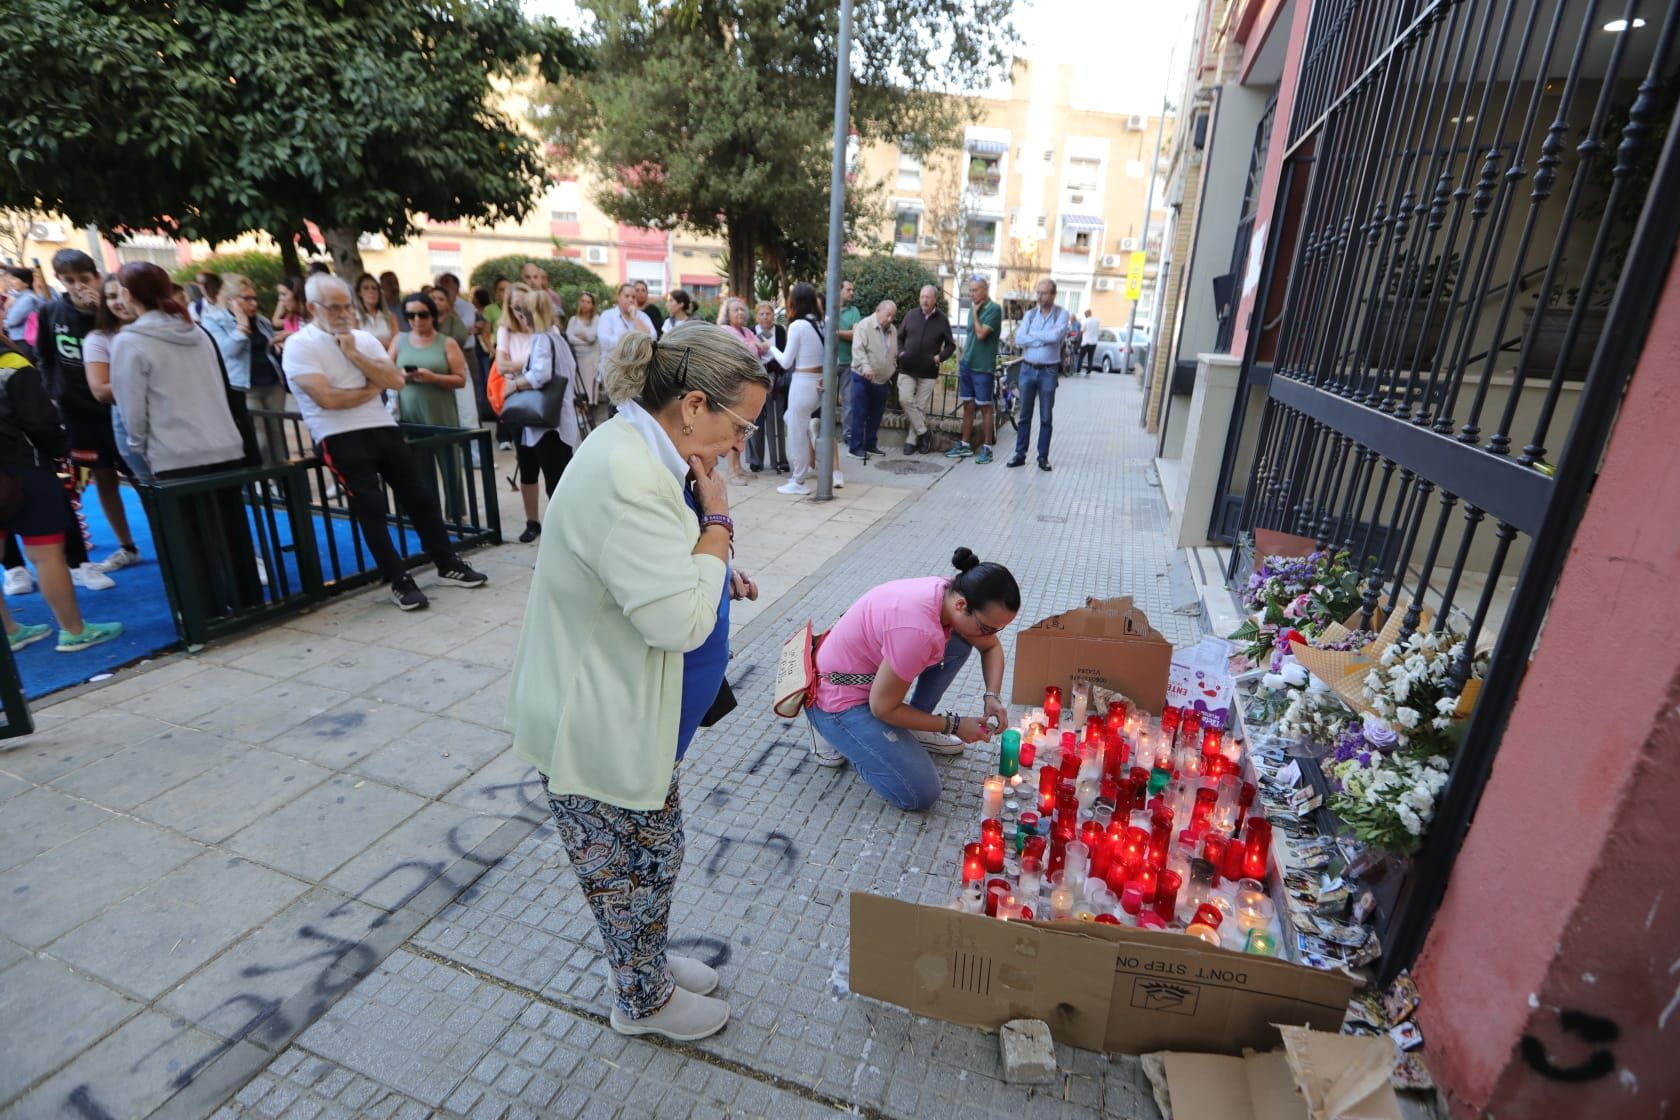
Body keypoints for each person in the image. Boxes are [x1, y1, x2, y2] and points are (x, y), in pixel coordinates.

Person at [506, 323, 768, 1044]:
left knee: (655, 854)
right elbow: (677, 622)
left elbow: (651, 564)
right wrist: (717, 526)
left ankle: (645, 962)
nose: (738, 446)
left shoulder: (644, 452)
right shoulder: (630, 475)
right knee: (627, 870)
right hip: (593, 720)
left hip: (632, 712)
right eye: (740, 426)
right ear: (693, 405)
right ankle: (641, 999)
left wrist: (709, 562)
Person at [282, 275, 488, 610]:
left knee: (419, 497)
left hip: (382, 427)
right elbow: (327, 399)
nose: (344, 313)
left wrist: (354, 355)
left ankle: (447, 562)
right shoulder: (299, 345)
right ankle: (399, 579)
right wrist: (371, 387)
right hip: (337, 434)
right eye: (335, 307)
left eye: (347, 306)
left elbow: (395, 380)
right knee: (371, 506)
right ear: (312, 308)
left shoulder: (363, 340)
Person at [803, 548, 1019, 809]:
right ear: (962, 605)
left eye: (997, 628)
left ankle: (913, 723)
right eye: (986, 627)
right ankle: (829, 729)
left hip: (872, 681)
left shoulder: (947, 594)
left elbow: (990, 647)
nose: (990, 634)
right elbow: (882, 708)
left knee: (960, 641)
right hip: (835, 697)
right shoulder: (918, 632)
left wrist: (992, 696)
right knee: (920, 793)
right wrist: (953, 725)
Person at [110, 262, 261, 616]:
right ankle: (248, 601)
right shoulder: (197, 332)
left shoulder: (130, 342)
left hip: (175, 451)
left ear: (129, 294)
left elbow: (132, 407)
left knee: (191, 538)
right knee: (232, 529)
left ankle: (208, 612)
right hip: (224, 443)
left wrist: (138, 445)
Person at [0, 339, 123, 653]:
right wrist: (61, 449)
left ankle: (9, 631)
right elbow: (40, 422)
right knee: (46, 554)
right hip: (23, 467)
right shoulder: (10, 363)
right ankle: (73, 630)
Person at [35, 249, 140, 581]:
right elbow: (44, 356)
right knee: (103, 477)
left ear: (96, 276)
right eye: (69, 280)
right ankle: (127, 545)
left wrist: (99, 312)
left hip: (119, 407)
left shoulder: (110, 309)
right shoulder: (51, 311)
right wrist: (53, 392)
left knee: (141, 476)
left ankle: (170, 536)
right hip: (79, 413)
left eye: (84, 278)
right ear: (60, 281)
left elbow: (126, 340)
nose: (78, 286)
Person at [496, 285, 580, 542]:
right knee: (559, 481)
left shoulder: (542, 338)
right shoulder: (556, 338)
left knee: (556, 484)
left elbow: (541, 374)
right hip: (557, 419)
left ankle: (565, 539)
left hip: (547, 423)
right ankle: (568, 536)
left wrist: (516, 384)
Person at [200, 273, 287, 468]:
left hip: (272, 383)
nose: (253, 304)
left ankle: (282, 478)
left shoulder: (261, 321)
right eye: (247, 299)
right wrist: (241, 328)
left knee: (277, 436)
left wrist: (277, 342)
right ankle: (264, 477)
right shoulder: (214, 320)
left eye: (254, 298)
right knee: (259, 438)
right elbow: (227, 351)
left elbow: (267, 344)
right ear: (230, 300)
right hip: (244, 386)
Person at [84, 273, 149, 481]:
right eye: (112, 296)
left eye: (124, 294)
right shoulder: (99, 339)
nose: (121, 302)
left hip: (176, 422)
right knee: (151, 487)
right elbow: (100, 390)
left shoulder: (165, 330)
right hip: (129, 423)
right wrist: (156, 384)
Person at [770, 283, 828, 496]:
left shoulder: (797, 326)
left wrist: (770, 347)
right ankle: (811, 433)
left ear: (794, 302)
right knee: (792, 420)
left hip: (802, 383)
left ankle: (798, 481)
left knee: (795, 435)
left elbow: (786, 362)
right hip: (818, 384)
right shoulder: (823, 324)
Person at [1008, 279, 1069, 472]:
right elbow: (1019, 339)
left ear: (1053, 294)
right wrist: (1043, 338)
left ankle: (1043, 457)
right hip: (1027, 368)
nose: (1040, 296)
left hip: (1048, 371)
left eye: (1044, 293)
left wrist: (1033, 336)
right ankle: (1020, 454)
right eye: (1038, 292)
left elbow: (1055, 337)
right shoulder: (1030, 314)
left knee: (1045, 417)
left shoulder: (1061, 314)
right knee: (1024, 415)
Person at [388, 292, 468, 427]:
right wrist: (402, 375)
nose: (417, 319)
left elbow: (461, 380)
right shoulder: (398, 340)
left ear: (432, 315)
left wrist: (434, 378)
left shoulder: (448, 343)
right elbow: (385, 373)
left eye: (422, 314)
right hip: (407, 420)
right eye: (410, 315)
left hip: (440, 417)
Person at [946, 277, 1004, 464]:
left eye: (975, 290)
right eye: (969, 290)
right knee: (968, 406)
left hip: (982, 368)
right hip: (967, 365)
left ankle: (987, 449)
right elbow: (970, 335)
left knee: (985, 407)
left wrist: (976, 313)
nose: (971, 294)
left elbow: (980, 334)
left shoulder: (994, 309)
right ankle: (965, 445)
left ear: (985, 290)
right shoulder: (974, 309)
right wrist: (963, 358)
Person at [895, 285, 955, 455]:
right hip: (907, 368)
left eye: (928, 297)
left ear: (935, 299)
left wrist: (938, 358)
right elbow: (899, 337)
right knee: (905, 399)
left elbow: (950, 346)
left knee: (920, 407)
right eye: (922, 297)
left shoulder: (942, 320)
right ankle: (924, 433)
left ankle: (911, 440)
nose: (925, 300)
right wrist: (901, 353)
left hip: (928, 371)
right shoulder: (911, 315)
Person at [847, 300, 897, 459]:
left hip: (882, 380)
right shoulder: (864, 325)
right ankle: (855, 448)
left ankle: (870, 445)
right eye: (888, 315)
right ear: (878, 310)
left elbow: (893, 352)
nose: (890, 319)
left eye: (893, 316)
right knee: (860, 413)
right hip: (862, 377)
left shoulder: (893, 330)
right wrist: (866, 368)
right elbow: (858, 350)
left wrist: (892, 367)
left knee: (876, 415)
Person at [745, 301, 788, 475]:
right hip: (756, 379)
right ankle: (755, 461)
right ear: (756, 316)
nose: (765, 317)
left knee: (776, 420)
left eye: (768, 313)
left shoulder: (780, 331)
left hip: (776, 379)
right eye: (761, 314)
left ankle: (780, 460)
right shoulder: (750, 331)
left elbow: (784, 354)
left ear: (773, 315)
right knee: (755, 420)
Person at [566, 290, 606, 432]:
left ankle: (584, 417)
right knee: (577, 389)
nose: (585, 304)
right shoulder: (573, 319)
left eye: (588, 302)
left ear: (592, 305)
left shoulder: (596, 319)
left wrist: (580, 336)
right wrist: (583, 339)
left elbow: (592, 337)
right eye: (583, 301)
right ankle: (579, 416)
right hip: (576, 358)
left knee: (588, 389)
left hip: (590, 358)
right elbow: (569, 337)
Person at [598, 283, 655, 359]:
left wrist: (635, 318)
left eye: (633, 297)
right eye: (627, 296)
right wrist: (636, 343)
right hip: (613, 364)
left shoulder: (642, 316)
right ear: (618, 297)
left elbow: (652, 338)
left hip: (637, 364)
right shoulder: (607, 315)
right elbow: (605, 341)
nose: (631, 300)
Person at [2, 267, 44, 359]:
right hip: (22, 339)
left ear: (26, 283)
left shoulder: (27, 298)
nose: (9, 282)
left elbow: (12, 320)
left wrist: (4, 322)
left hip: (25, 339)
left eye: (14, 278)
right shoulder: (18, 297)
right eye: (9, 279)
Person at [352, 273, 398, 345]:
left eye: (374, 288)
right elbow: (355, 344)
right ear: (359, 293)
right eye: (366, 288)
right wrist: (382, 341)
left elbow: (397, 344)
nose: (371, 291)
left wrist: (371, 341)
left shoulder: (391, 317)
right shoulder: (354, 317)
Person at [271, 277, 306, 351]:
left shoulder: (312, 315)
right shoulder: (291, 316)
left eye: (283, 294)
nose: (280, 298)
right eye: (279, 294)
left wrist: (290, 335)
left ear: (296, 294)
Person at [1080, 308, 1101, 375]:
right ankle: (1089, 370)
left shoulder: (1086, 321)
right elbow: (1098, 329)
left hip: (1086, 342)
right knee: (1090, 357)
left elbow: (1082, 331)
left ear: (1086, 315)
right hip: (1094, 342)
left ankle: (1078, 369)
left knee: (1081, 357)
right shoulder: (1096, 320)